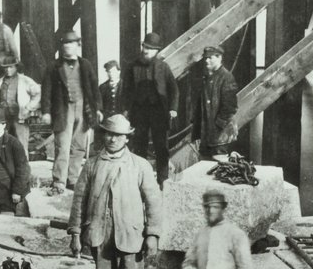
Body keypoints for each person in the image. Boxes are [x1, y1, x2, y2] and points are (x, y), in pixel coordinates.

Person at [67, 114, 162, 269]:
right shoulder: (91, 165)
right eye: (109, 134)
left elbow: (153, 202)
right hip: (100, 233)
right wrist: (76, 233)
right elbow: (79, 201)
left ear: (127, 138)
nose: (112, 139)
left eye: (118, 135)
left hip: (130, 235)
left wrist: (152, 234)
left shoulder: (140, 166)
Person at [40, 30, 99, 193]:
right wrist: (46, 111)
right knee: (63, 146)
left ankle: (72, 179)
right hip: (62, 110)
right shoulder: (53, 67)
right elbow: (46, 90)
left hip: (83, 109)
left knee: (78, 146)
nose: (68, 47)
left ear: (77, 46)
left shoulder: (85, 65)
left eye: (72, 43)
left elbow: (94, 88)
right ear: (62, 47)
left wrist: (97, 109)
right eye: (65, 44)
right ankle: (59, 181)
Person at [123, 32, 178, 186]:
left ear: (157, 51)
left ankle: (163, 180)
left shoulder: (163, 67)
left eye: (150, 48)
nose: (146, 50)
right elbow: (126, 90)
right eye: (145, 46)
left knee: (161, 147)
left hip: (159, 113)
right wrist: (126, 109)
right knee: (139, 146)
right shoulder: (132, 66)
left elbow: (174, 89)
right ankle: (140, 181)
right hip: (139, 113)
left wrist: (173, 109)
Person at [0, 107, 31, 216]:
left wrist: (17, 191)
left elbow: (23, 169)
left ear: (4, 125)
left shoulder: (13, 143)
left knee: (6, 219)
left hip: (8, 191)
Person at [191, 45, 239, 158]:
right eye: (205, 58)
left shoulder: (226, 77)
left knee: (220, 166)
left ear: (219, 58)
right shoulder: (207, 78)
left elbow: (230, 107)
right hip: (207, 135)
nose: (206, 60)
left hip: (220, 136)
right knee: (205, 165)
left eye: (210, 57)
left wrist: (218, 125)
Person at [0, 56, 40, 146]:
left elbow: (38, 93)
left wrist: (29, 107)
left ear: (16, 67)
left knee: (21, 143)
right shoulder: (0, 81)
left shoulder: (24, 80)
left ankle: (23, 160)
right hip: (3, 117)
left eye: (11, 67)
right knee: (3, 143)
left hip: (19, 116)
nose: (8, 70)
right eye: (6, 67)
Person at [96, 59, 122, 152]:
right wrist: (98, 111)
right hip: (107, 117)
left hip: (122, 116)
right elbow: (98, 102)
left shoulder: (125, 85)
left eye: (113, 72)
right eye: (109, 72)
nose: (111, 74)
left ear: (119, 71)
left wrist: (126, 113)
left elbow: (129, 102)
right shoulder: (102, 87)